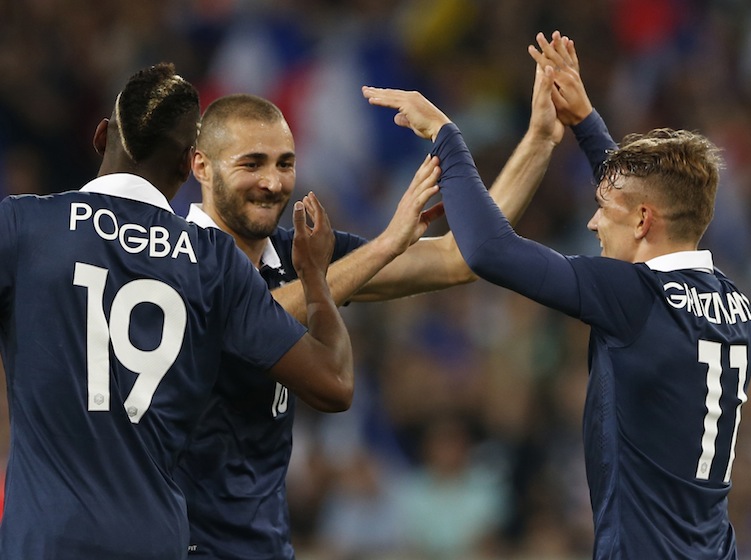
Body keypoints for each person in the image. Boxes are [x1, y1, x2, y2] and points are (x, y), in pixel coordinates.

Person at [173, 37, 605, 560]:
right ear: (201, 167)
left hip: (263, 545)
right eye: (252, 163)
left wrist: (540, 138)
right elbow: (239, 321)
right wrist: (383, 246)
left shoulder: (300, 253)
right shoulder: (174, 258)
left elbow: (458, 258)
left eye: (285, 162)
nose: (273, 181)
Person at [0, 62, 433, 560]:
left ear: (102, 135)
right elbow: (334, 382)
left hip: (46, 536)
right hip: (156, 538)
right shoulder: (212, 260)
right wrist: (315, 280)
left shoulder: (25, 227)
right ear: (190, 164)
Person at [363, 31, 751, 559]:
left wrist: (446, 136)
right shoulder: (732, 301)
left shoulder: (634, 295)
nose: (593, 222)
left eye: (604, 210)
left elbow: (488, 252)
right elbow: (642, 205)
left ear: (643, 220)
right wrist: (586, 120)